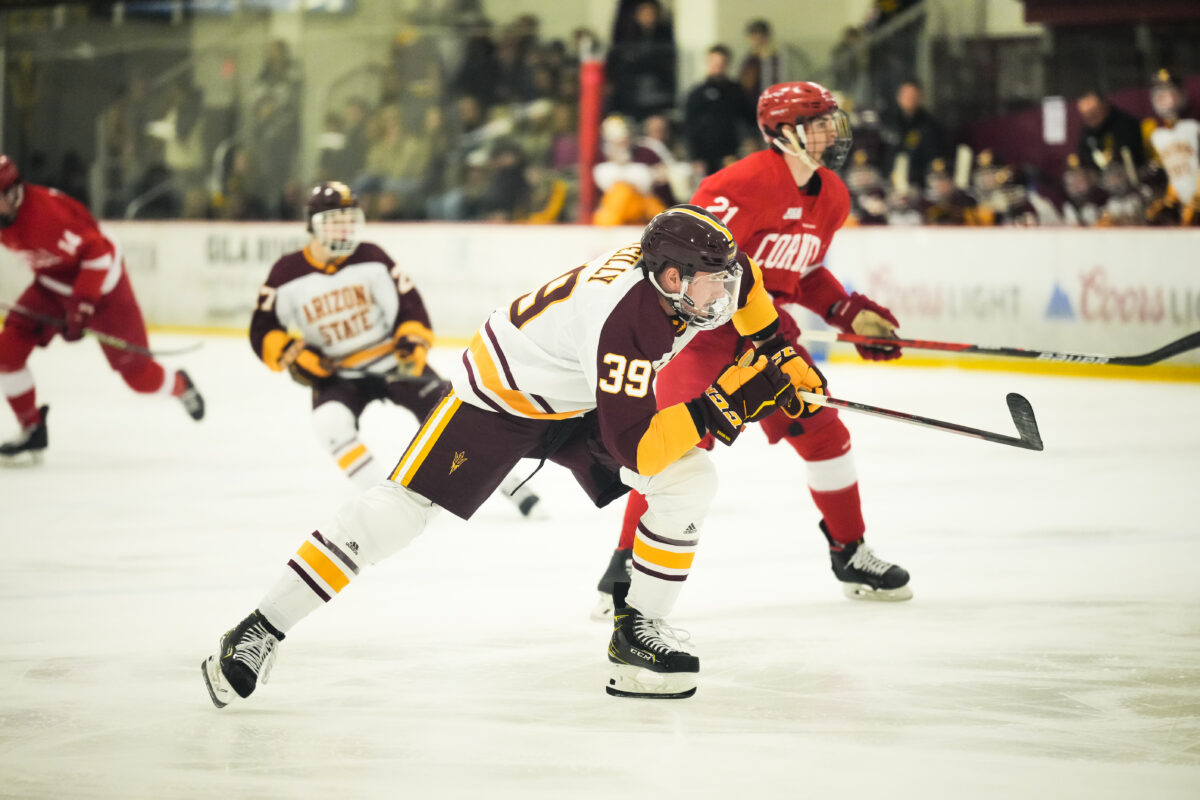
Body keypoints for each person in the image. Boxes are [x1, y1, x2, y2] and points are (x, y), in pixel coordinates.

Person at [201, 203, 826, 705]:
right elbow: (634, 446)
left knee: (689, 480)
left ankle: (636, 636)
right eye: (713, 283)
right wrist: (723, 404)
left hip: (576, 393)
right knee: (398, 513)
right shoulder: (626, 321)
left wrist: (780, 355)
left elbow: (753, 300)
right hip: (501, 398)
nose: (724, 294)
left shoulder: (700, 270)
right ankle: (259, 627)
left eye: (727, 278)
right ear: (669, 279)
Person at [591, 82, 913, 618]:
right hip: (702, 336)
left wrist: (848, 312)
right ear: (781, 133)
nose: (830, 133)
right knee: (669, 449)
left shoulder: (832, 194)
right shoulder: (736, 186)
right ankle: (624, 563)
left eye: (832, 121)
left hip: (767, 332)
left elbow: (802, 272)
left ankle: (850, 552)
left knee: (826, 434)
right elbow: (684, 264)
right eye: (817, 123)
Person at [251, 181, 541, 515]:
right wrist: (293, 352)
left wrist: (411, 343)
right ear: (313, 225)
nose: (344, 228)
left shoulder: (372, 257)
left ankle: (518, 491)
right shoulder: (286, 273)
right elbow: (263, 329)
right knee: (330, 424)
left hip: (391, 361)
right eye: (334, 220)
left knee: (457, 419)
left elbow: (410, 306)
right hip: (335, 374)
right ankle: (384, 507)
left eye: (349, 218)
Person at [0, 154, 204, 462]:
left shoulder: (47, 217)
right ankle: (32, 429)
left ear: (11, 194)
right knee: (7, 354)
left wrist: (80, 308)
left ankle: (180, 386)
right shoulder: (7, 212)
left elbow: (99, 254)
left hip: (104, 291)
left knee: (139, 377)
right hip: (51, 286)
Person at [683, 44, 755, 177]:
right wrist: (695, 156)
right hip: (705, 155)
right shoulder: (697, 93)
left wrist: (751, 141)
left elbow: (750, 118)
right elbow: (689, 126)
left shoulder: (736, 91)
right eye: (715, 63)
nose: (718, 68)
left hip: (730, 153)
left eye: (722, 64)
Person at [880, 80, 946, 191]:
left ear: (920, 98)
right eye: (906, 96)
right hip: (890, 184)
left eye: (913, 96)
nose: (909, 99)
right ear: (899, 97)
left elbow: (933, 160)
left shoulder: (930, 126)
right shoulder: (889, 123)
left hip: (918, 186)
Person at [1075, 89, 1146, 173]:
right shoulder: (1087, 134)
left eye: (1093, 112)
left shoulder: (1126, 125)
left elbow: (1132, 157)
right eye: (1086, 115)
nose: (1091, 118)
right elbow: (1084, 161)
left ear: (1104, 105)